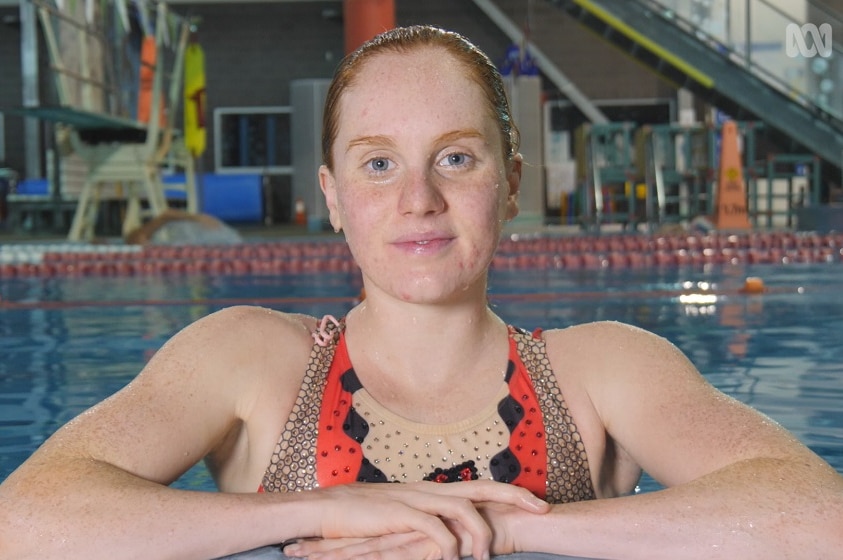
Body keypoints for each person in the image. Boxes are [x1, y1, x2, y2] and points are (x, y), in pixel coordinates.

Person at [1, 24, 841, 560]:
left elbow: (819, 521)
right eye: (377, 164)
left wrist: (500, 528)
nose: (417, 199)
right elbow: (25, 524)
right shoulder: (251, 359)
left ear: (509, 183)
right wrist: (321, 513)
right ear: (331, 196)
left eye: (455, 157)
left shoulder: (602, 370)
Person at [124, 208, 243, 245]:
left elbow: (167, 214)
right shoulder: (155, 243)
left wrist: (198, 218)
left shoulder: (144, 233)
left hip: (203, 228)